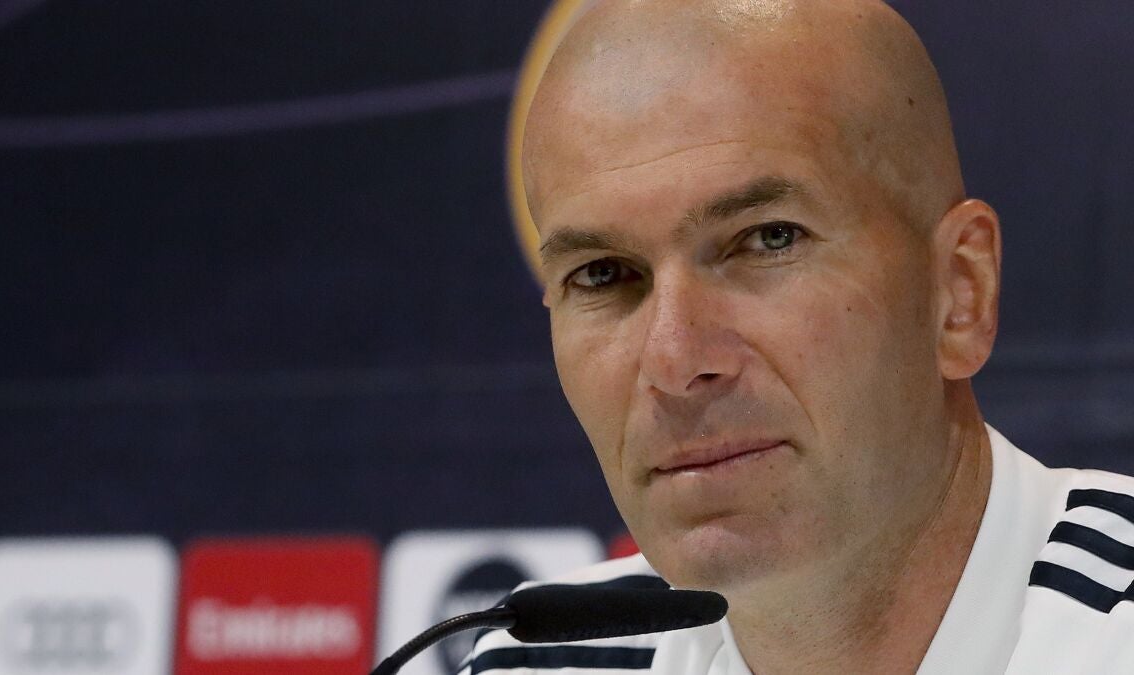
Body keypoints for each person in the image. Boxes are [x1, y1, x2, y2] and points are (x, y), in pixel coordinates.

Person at [460, 0, 1134, 673]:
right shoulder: (537, 663)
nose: (675, 358)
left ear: (960, 290)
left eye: (768, 239)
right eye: (602, 274)